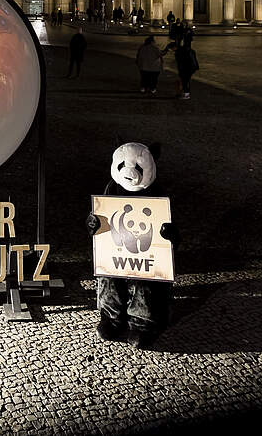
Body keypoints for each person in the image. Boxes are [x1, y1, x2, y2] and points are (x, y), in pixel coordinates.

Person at [86, 142, 173, 349]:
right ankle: (111, 317)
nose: (129, 172)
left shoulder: (157, 195)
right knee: (109, 279)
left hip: (145, 257)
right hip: (117, 252)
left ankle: (141, 324)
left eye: (138, 167)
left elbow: (170, 236)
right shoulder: (111, 189)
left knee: (146, 285)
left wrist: (168, 235)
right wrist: (93, 223)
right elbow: (100, 221)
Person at [166, 33, 198, 99]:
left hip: (187, 68)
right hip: (192, 67)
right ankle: (185, 93)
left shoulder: (178, 53)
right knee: (187, 80)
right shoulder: (184, 49)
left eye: (171, 49)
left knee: (185, 81)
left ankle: (186, 95)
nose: (171, 51)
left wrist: (180, 72)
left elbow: (181, 63)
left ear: (174, 47)